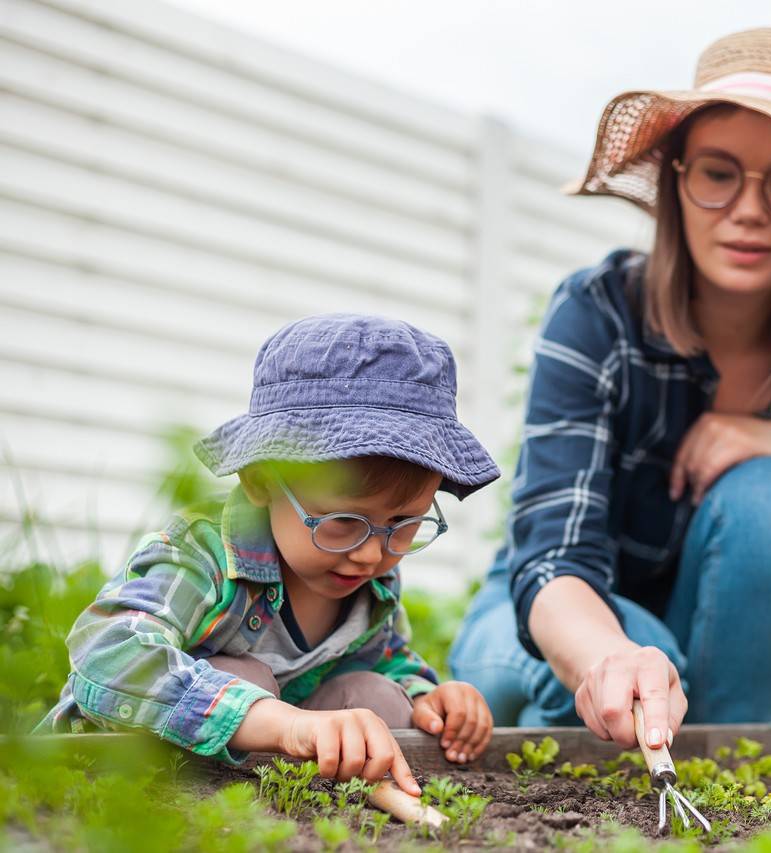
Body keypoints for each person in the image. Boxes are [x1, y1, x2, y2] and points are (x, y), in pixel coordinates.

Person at [449, 28, 771, 752]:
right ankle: (616, 745)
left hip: (726, 681)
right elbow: (552, 561)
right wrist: (617, 658)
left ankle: (721, 763)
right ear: (677, 179)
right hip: (569, 620)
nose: (750, 209)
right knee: (592, 659)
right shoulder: (598, 313)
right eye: (719, 172)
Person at [38, 314, 500, 795]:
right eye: (343, 522)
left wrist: (430, 699)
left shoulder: (371, 577)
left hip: (263, 777)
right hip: (113, 773)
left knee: (375, 697)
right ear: (260, 480)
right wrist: (278, 722)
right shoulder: (201, 553)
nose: (369, 554)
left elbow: (383, 658)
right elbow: (107, 654)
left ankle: (318, 809)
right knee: (244, 676)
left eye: (404, 524)